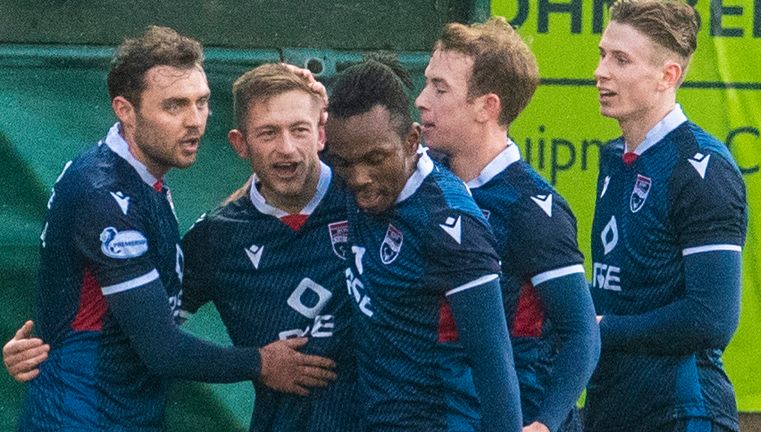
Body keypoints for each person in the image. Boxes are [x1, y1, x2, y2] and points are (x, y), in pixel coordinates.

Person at [6, 26, 333, 431]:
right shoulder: (104, 193)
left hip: (124, 413)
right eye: (174, 106)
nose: (194, 121)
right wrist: (261, 362)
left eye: (202, 102)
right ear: (125, 110)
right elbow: (161, 348)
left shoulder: (140, 177)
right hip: (82, 418)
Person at [415, 18, 599, 432]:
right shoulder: (421, 183)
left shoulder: (532, 208)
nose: (422, 100)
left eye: (440, 88)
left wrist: (544, 424)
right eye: (426, 83)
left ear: (487, 106)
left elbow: (583, 333)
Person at [323, 55, 523, 431]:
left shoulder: (451, 227)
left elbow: (494, 364)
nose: (359, 177)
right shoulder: (357, 174)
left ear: (412, 140)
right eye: (345, 163)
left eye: (375, 159)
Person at [586, 0, 748, 431]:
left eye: (621, 59)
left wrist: (597, 327)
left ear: (668, 75)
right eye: (603, 54)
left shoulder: (701, 169)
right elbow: (623, 292)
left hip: (681, 411)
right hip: (612, 407)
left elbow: (711, 319)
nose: (602, 71)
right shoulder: (614, 158)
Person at [180, 63, 358, 431]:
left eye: (299, 130)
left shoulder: (366, 198)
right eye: (268, 133)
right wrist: (254, 362)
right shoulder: (218, 236)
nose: (287, 149)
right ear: (239, 144)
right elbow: (148, 336)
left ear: (322, 134)